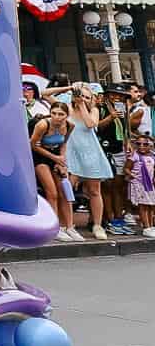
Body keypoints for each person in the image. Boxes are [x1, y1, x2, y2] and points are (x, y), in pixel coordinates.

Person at [58, 84, 113, 239]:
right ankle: (67, 225)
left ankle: (97, 225)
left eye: (87, 97)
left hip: (90, 153)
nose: (83, 98)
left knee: (95, 191)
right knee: (67, 189)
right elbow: (44, 94)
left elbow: (90, 124)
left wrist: (82, 105)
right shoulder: (67, 107)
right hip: (71, 153)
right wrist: (68, 87)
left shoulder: (93, 110)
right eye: (80, 95)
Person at [30, 100, 79, 242]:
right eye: (54, 113)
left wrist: (62, 161)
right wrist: (55, 158)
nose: (57, 117)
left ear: (66, 115)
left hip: (57, 156)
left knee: (64, 191)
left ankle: (69, 226)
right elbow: (33, 144)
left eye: (61, 114)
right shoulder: (42, 124)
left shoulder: (70, 125)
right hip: (40, 156)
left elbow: (64, 143)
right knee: (52, 193)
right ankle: (54, 227)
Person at [98, 88, 134, 234]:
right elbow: (96, 127)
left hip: (120, 149)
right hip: (105, 150)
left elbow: (127, 128)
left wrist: (129, 141)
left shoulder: (123, 108)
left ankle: (119, 219)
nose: (116, 97)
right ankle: (110, 220)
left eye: (120, 95)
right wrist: (110, 117)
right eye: (113, 94)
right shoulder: (100, 108)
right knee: (107, 186)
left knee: (118, 186)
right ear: (107, 96)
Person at [128, 132, 155, 238]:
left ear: (150, 145)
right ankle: (146, 227)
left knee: (151, 205)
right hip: (139, 184)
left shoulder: (153, 156)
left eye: (145, 144)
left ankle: (151, 225)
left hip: (150, 184)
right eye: (138, 144)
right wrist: (132, 175)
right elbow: (127, 168)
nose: (141, 146)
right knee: (143, 205)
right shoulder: (135, 156)